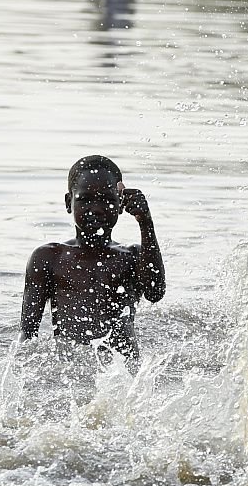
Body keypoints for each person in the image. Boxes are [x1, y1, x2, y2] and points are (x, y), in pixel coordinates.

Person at [20, 155, 165, 364]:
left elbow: (155, 292)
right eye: (85, 199)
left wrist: (146, 223)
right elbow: (27, 334)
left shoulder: (132, 257)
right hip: (69, 370)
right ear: (69, 202)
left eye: (107, 200)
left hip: (123, 373)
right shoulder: (49, 258)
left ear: (121, 205)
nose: (96, 208)